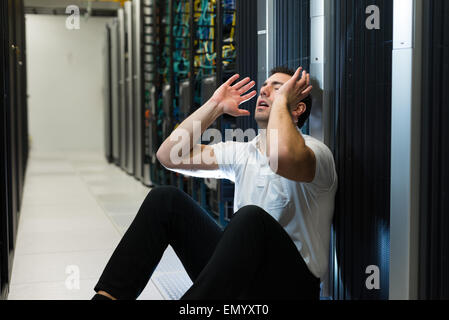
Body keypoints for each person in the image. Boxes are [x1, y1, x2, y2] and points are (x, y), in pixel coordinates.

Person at [92, 66, 337, 300]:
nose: (264, 91)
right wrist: (215, 106)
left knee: (250, 218)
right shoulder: (243, 152)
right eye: (264, 86)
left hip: (288, 288)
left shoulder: (316, 154)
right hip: (241, 281)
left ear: (297, 108)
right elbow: (168, 156)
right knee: (165, 200)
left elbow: (281, 159)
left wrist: (282, 102)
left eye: (278, 88)